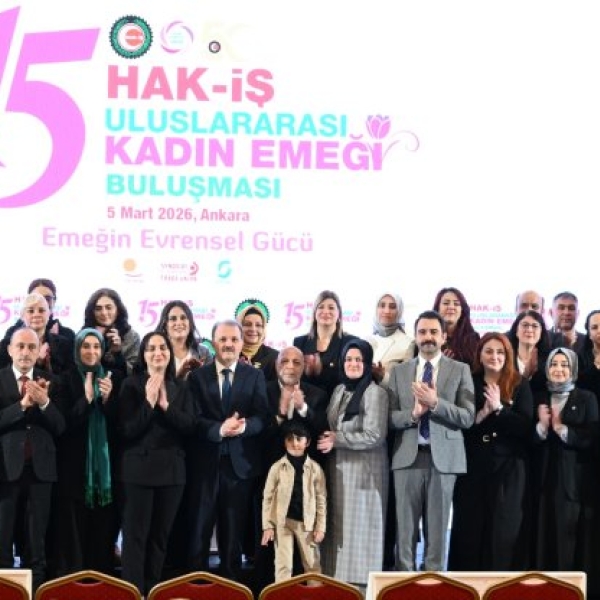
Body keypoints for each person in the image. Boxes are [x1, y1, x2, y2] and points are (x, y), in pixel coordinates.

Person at [388, 310, 474, 571]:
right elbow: (389, 417)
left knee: (437, 532)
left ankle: (434, 584)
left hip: (444, 461)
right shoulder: (399, 372)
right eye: (423, 332)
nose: (428, 337)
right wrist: (413, 415)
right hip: (407, 457)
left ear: (444, 337)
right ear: (415, 336)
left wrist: (436, 403)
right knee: (405, 532)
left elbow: (467, 416)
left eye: (434, 332)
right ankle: (403, 583)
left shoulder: (460, 369)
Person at [186, 319, 269, 581]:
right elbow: (193, 420)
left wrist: (243, 427)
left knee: (233, 537)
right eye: (223, 339)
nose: (229, 344)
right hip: (204, 467)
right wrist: (220, 429)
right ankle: (195, 587)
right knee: (198, 534)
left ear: (242, 343)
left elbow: (262, 417)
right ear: (214, 343)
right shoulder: (197, 377)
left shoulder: (255, 376)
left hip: (240, 468)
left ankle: (231, 588)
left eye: (234, 339)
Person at [118, 331, 195, 596]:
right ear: (143, 354)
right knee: (135, 538)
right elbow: (126, 430)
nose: (158, 352)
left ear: (169, 353)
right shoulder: (130, 385)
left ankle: (152, 591)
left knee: (160, 539)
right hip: (137, 472)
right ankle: (133, 592)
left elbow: (190, 427)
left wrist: (165, 406)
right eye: (151, 348)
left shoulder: (181, 387)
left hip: (171, 473)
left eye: (162, 347)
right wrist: (148, 404)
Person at [448, 332, 533, 570]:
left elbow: (525, 428)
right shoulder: (468, 381)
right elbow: (458, 426)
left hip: (509, 467)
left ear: (508, 355)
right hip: (474, 464)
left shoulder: (519, 384)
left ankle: (502, 584)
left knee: (503, 528)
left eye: (500, 352)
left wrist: (499, 409)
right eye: (488, 351)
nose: (494, 356)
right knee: (470, 526)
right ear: (480, 355)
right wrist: (482, 414)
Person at [317, 339, 389, 591]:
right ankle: (336, 585)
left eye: (359, 360)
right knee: (338, 530)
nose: (353, 364)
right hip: (338, 470)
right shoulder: (339, 390)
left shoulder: (375, 393)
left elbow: (375, 435)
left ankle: (360, 588)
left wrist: (338, 439)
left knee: (361, 532)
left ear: (367, 363)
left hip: (364, 475)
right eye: (348, 359)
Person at [0, 328, 65, 592]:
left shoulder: (52, 381)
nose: (25, 352)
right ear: (10, 350)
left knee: (36, 547)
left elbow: (61, 426)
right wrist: (22, 406)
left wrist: (45, 402)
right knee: (2, 545)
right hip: (5, 472)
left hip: (41, 474)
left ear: (39, 351)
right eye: (20, 346)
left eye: (31, 347)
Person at [53, 328, 121, 576]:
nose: (91, 351)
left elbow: (122, 426)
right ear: (77, 348)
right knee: (74, 542)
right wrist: (87, 399)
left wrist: (108, 400)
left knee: (102, 541)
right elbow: (62, 425)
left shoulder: (114, 378)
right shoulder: (65, 379)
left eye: (96, 346)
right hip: (74, 474)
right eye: (85, 346)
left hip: (107, 477)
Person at [531, 348, 598, 574]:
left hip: (573, 484)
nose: (558, 369)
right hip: (541, 480)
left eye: (564, 365)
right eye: (553, 364)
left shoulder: (587, 398)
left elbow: (592, 437)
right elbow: (526, 439)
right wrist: (541, 427)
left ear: (573, 369)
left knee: (568, 544)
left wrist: (562, 429)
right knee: (541, 538)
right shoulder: (538, 397)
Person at [261, 422, 326, 582]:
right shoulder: (277, 467)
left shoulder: (315, 469)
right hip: (283, 522)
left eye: (299, 439)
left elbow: (321, 500)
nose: (295, 443)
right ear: (284, 442)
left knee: (312, 564)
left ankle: (315, 593)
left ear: (307, 442)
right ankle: (281, 593)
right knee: (283, 565)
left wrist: (320, 527)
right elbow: (267, 498)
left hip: (307, 524)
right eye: (290, 439)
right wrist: (267, 525)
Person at [293, 290, 357, 399]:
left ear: (339, 314)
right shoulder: (299, 342)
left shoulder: (350, 342)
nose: (326, 311)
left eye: (331, 308)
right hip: (307, 404)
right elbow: (294, 379)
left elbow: (352, 380)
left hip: (337, 404)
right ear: (314, 312)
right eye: (321, 307)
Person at [0, 293, 74, 374]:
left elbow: (68, 378)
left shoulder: (64, 345)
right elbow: (4, 376)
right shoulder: (7, 344)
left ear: (49, 314)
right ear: (22, 316)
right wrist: (36, 361)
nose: (36, 315)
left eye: (41, 310)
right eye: (31, 311)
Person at [82, 288, 140, 375]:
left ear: (118, 310)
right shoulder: (84, 334)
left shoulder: (131, 336)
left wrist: (117, 353)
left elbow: (134, 373)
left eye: (109, 308)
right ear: (92, 312)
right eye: (98, 309)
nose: (104, 313)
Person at [366, 292, 415, 386]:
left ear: (399, 311)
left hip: (387, 394)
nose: (387, 311)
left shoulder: (408, 343)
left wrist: (383, 376)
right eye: (382, 305)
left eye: (392, 307)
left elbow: (405, 385)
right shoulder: (366, 340)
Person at [157, 300, 213, 380]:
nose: (179, 323)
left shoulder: (204, 352)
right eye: (173, 319)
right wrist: (181, 374)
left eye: (183, 318)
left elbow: (211, 384)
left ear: (190, 323)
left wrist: (200, 374)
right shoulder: (157, 353)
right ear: (165, 324)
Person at [432, 287, 480, 368]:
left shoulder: (473, 339)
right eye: (446, 303)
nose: (451, 307)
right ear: (437, 308)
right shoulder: (428, 338)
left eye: (456, 304)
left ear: (462, 310)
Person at [506, 310, 551, 395]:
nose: (529, 330)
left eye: (535, 326)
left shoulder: (548, 361)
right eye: (525, 325)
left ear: (541, 332)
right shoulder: (506, 358)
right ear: (516, 331)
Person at [235, 298, 279, 383]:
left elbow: (275, 389)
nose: (253, 329)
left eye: (258, 325)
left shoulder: (274, 357)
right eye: (247, 324)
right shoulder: (230, 355)